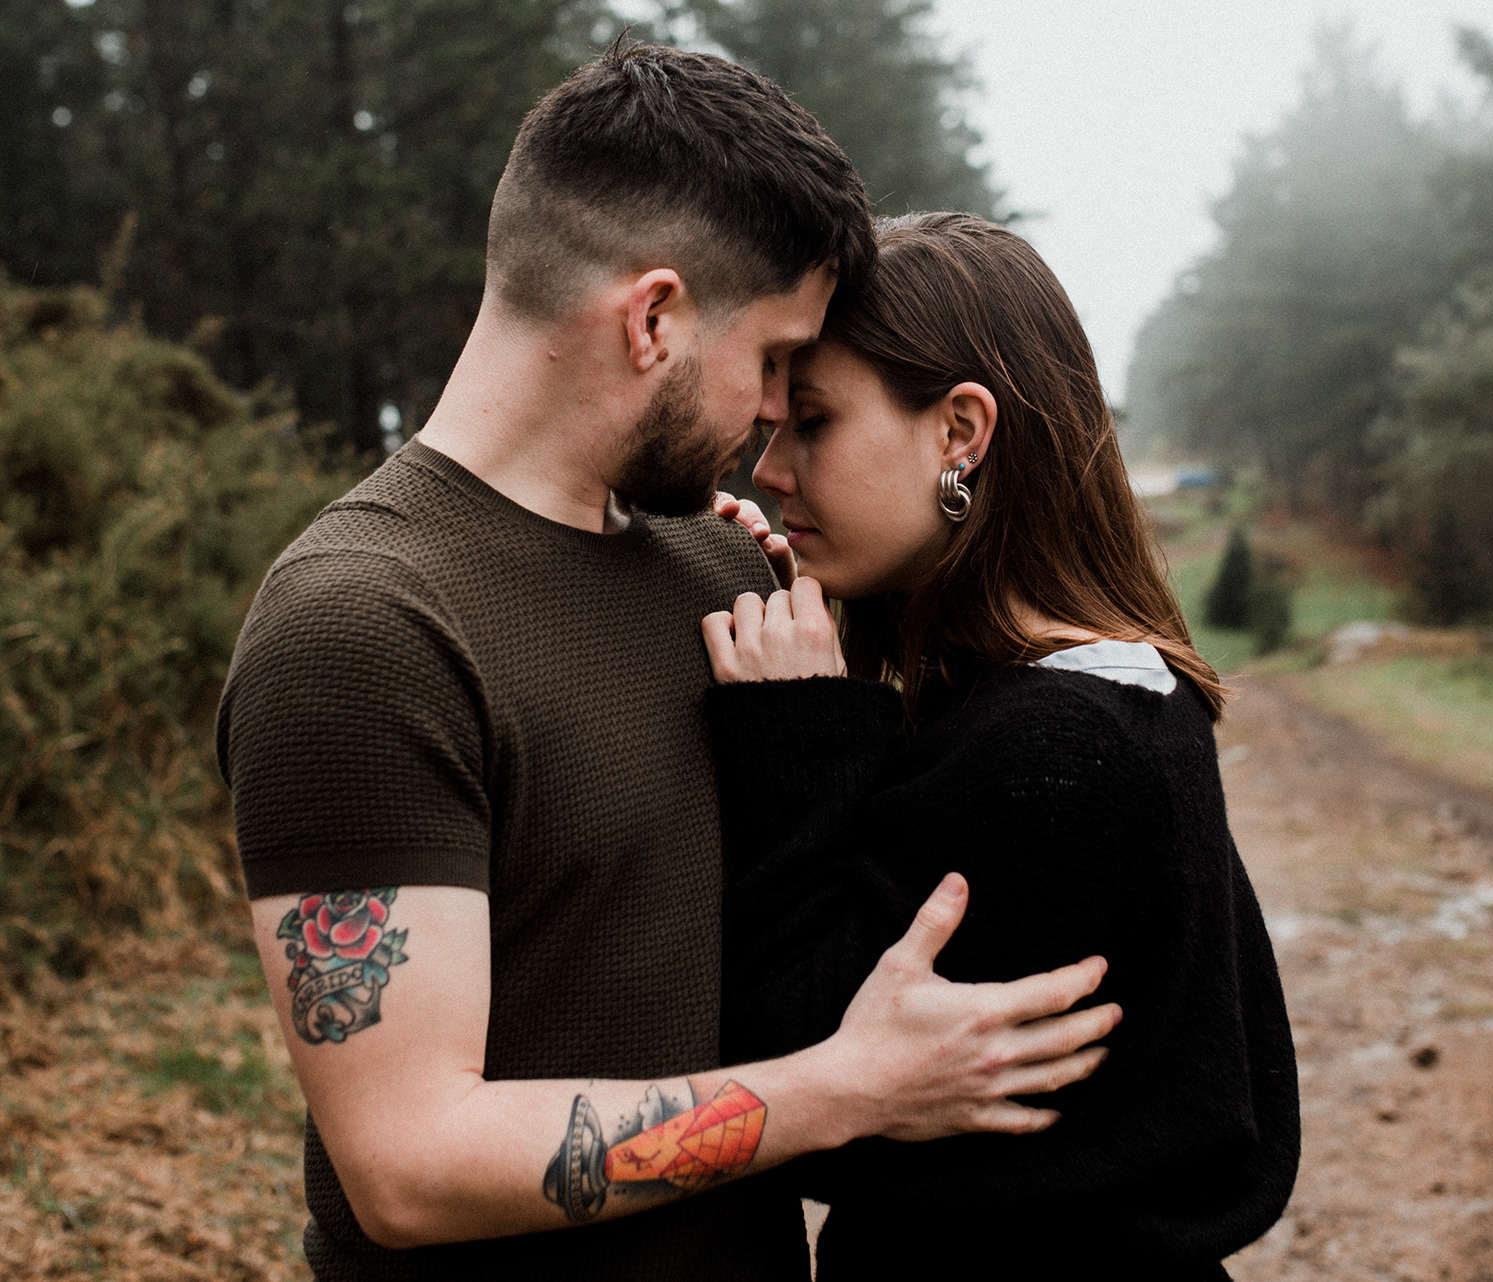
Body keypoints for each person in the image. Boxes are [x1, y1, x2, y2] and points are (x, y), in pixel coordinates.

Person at [217, 47, 1120, 1281]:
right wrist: (841, 1090)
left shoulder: (728, 576)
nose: (768, 427)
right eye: (771, 366)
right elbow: (408, 1166)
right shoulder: (362, 629)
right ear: (653, 319)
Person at [700, 213, 1301, 1281]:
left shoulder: (1051, 750)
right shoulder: (1116, 691)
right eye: (771, 427)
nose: (769, 470)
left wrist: (790, 740)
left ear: (960, 432)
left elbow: (794, 1071)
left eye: (816, 424)